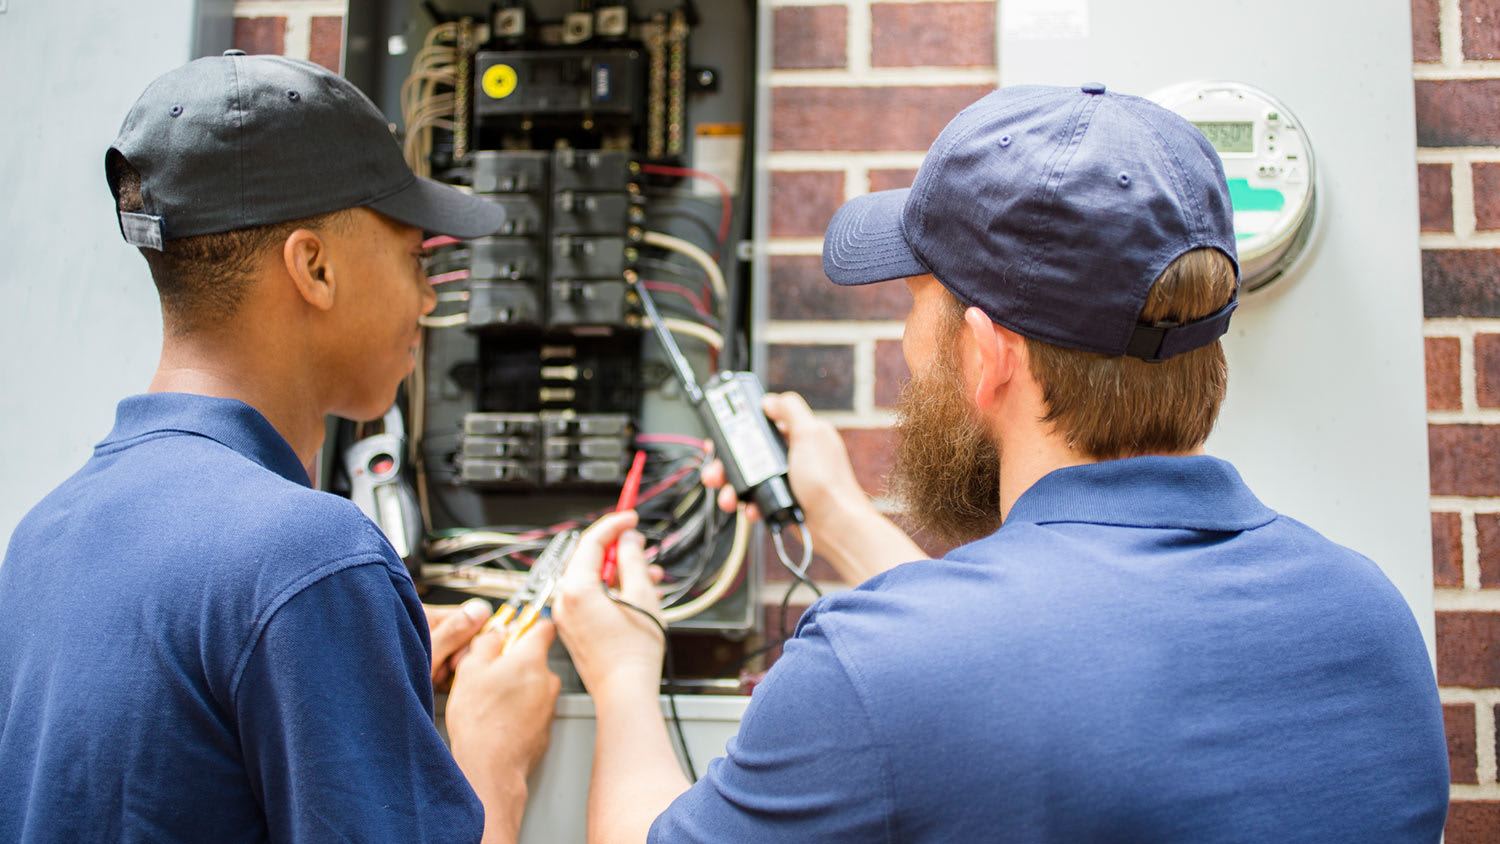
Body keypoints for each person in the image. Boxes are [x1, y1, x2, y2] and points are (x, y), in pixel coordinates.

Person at [550, 84, 1451, 841]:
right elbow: (1049, 660)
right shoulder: (1370, 621)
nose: (906, 344)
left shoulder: (873, 672)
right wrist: (842, 520)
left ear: (988, 357)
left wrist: (624, 672)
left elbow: (959, 675)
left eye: (913, 304)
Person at [0, 52, 558, 843]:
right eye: (412, 258)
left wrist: (352, 665)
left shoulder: (43, 537)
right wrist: (490, 761)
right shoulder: (312, 560)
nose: (429, 297)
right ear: (315, 267)